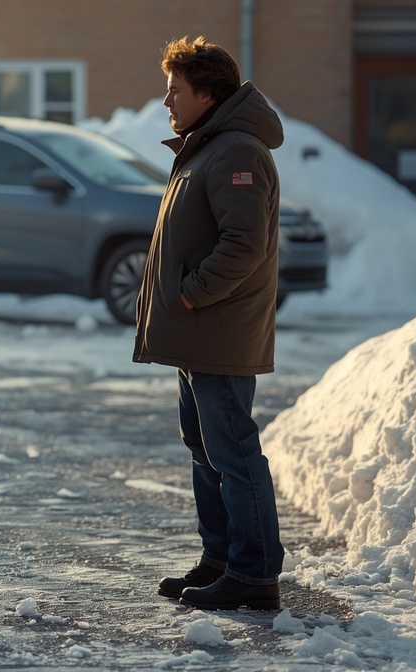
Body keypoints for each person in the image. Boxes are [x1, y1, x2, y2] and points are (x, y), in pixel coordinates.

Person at [133, 36, 285, 611]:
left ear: (208, 93)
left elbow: (244, 244)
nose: (166, 101)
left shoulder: (235, 152)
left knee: (233, 450)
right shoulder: (207, 147)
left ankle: (254, 572)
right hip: (197, 331)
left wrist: (191, 296)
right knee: (205, 446)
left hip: (217, 328)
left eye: (175, 90)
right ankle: (222, 558)